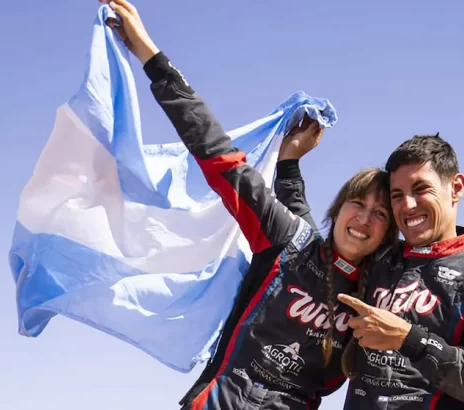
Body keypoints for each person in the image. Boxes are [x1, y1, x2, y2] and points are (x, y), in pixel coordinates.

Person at [97, 1, 399, 409]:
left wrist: (289, 163)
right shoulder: (291, 242)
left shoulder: (385, 292)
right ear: (337, 209)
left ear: (389, 233)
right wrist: (150, 55)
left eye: (379, 214)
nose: (363, 219)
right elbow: (217, 153)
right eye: (357, 203)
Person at [279, 134, 464, 410]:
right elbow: (312, 248)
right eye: (397, 196)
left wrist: (409, 339)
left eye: (421, 189)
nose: (408, 205)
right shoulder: (376, 259)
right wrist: (289, 165)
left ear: (456, 188)